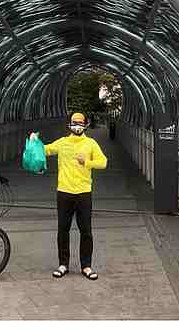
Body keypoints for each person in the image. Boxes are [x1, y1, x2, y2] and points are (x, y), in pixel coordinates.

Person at [29, 112, 107, 280]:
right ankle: (63, 264)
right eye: (74, 123)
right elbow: (45, 150)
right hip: (64, 192)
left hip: (84, 193)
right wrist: (34, 140)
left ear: (85, 125)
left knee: (86, 231)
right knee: (63, 230)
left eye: (80, 123)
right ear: (69, 125)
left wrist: (86, 162)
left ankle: (86, 266)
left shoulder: (90, 143)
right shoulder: (62, 143)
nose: (77, 125)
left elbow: (103, 162)